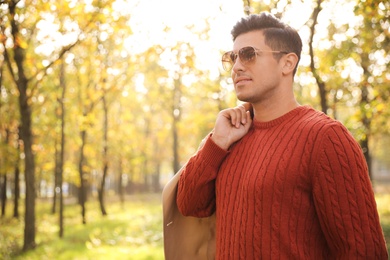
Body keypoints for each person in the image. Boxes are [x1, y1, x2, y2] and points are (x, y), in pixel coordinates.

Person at [166, 12, 389, 259]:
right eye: (233, 57)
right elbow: (189, 204)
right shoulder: (230, 136)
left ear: (287, 63)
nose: (237, 66)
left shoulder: (326, 138)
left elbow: (363, 251)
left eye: (248, 54)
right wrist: (216, 143)